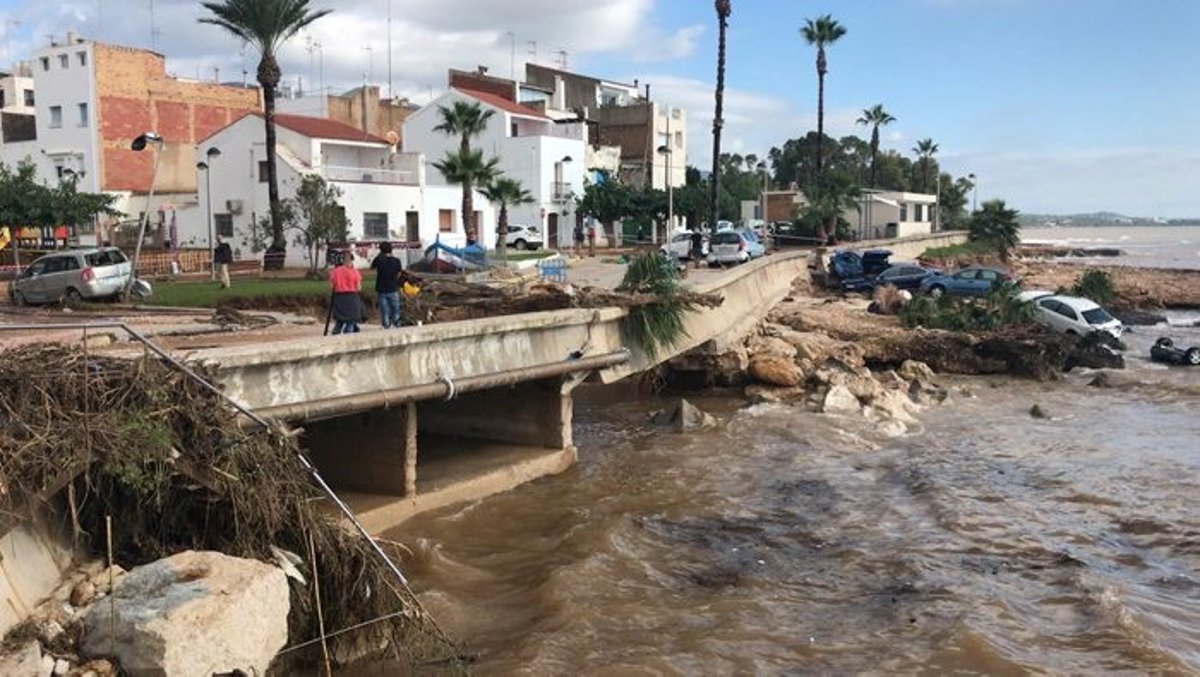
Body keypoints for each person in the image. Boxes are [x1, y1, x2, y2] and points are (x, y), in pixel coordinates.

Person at [329, 251, 364, 335]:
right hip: (352, 297)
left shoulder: (335, 271)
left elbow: (332, 287)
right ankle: (348, 333)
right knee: (351, 320)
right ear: (351, 260)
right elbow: (358, 288)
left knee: (339, 319)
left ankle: (336, 332)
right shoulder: (355, 272)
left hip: (340, 297)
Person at [370, 242, 403, 329]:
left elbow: (372, 268)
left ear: (381, 250)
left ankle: (386, 326)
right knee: (396, 309)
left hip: (381, 288)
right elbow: (399, 273)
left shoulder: (378, 260)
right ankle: (397, 324)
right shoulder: (397, 261)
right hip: (393, 288)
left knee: (384, 311)